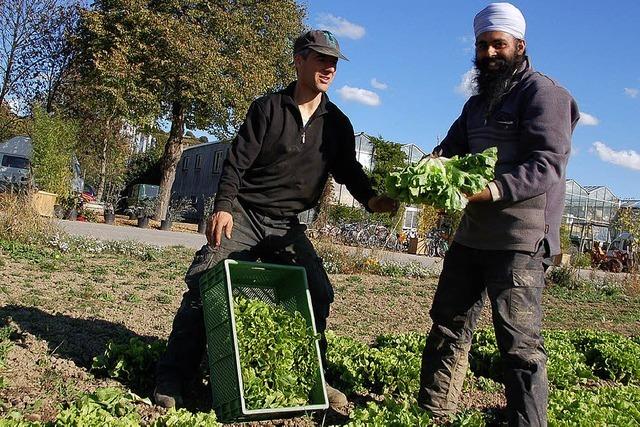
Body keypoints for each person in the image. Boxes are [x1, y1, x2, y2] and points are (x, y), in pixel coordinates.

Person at [154, 29, 398, 409]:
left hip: (287, 225)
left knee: (317, 291)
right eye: (320, 58)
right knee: (206, 281)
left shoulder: (337, 123)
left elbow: (349, 170)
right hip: (245, 214)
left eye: (333, 61)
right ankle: (172, 376)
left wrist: (371, 200)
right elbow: (236, 162)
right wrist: (222, 206)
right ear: (299, 60)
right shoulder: (267, 109)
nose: (329, 67)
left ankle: (310, 376)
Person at [417, 3, 579, 426]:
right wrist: (426, 171)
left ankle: (528, 422)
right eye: (482, 45)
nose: (489, 53)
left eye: (498, 44)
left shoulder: (544, 94)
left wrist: (491, 190)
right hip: (471, 236)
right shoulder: (476, 106)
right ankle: (435, 414)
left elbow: (548, 163)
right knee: (448, 326)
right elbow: (447, 152)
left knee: (519, 345)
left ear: (519, 46)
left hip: (520, 240)